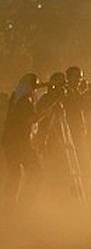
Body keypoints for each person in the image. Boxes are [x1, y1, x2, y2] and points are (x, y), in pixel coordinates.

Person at [2, 73, 56, 212]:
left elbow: (34, 85)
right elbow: (32, 119)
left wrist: (48, 85)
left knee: (15, 174)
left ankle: (9, 207)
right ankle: (24, 206)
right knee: (37, 172)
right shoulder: (25, 100)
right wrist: (50, 108)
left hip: (11, 142)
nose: (36, 91)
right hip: (21, 142)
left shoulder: (16, 96)